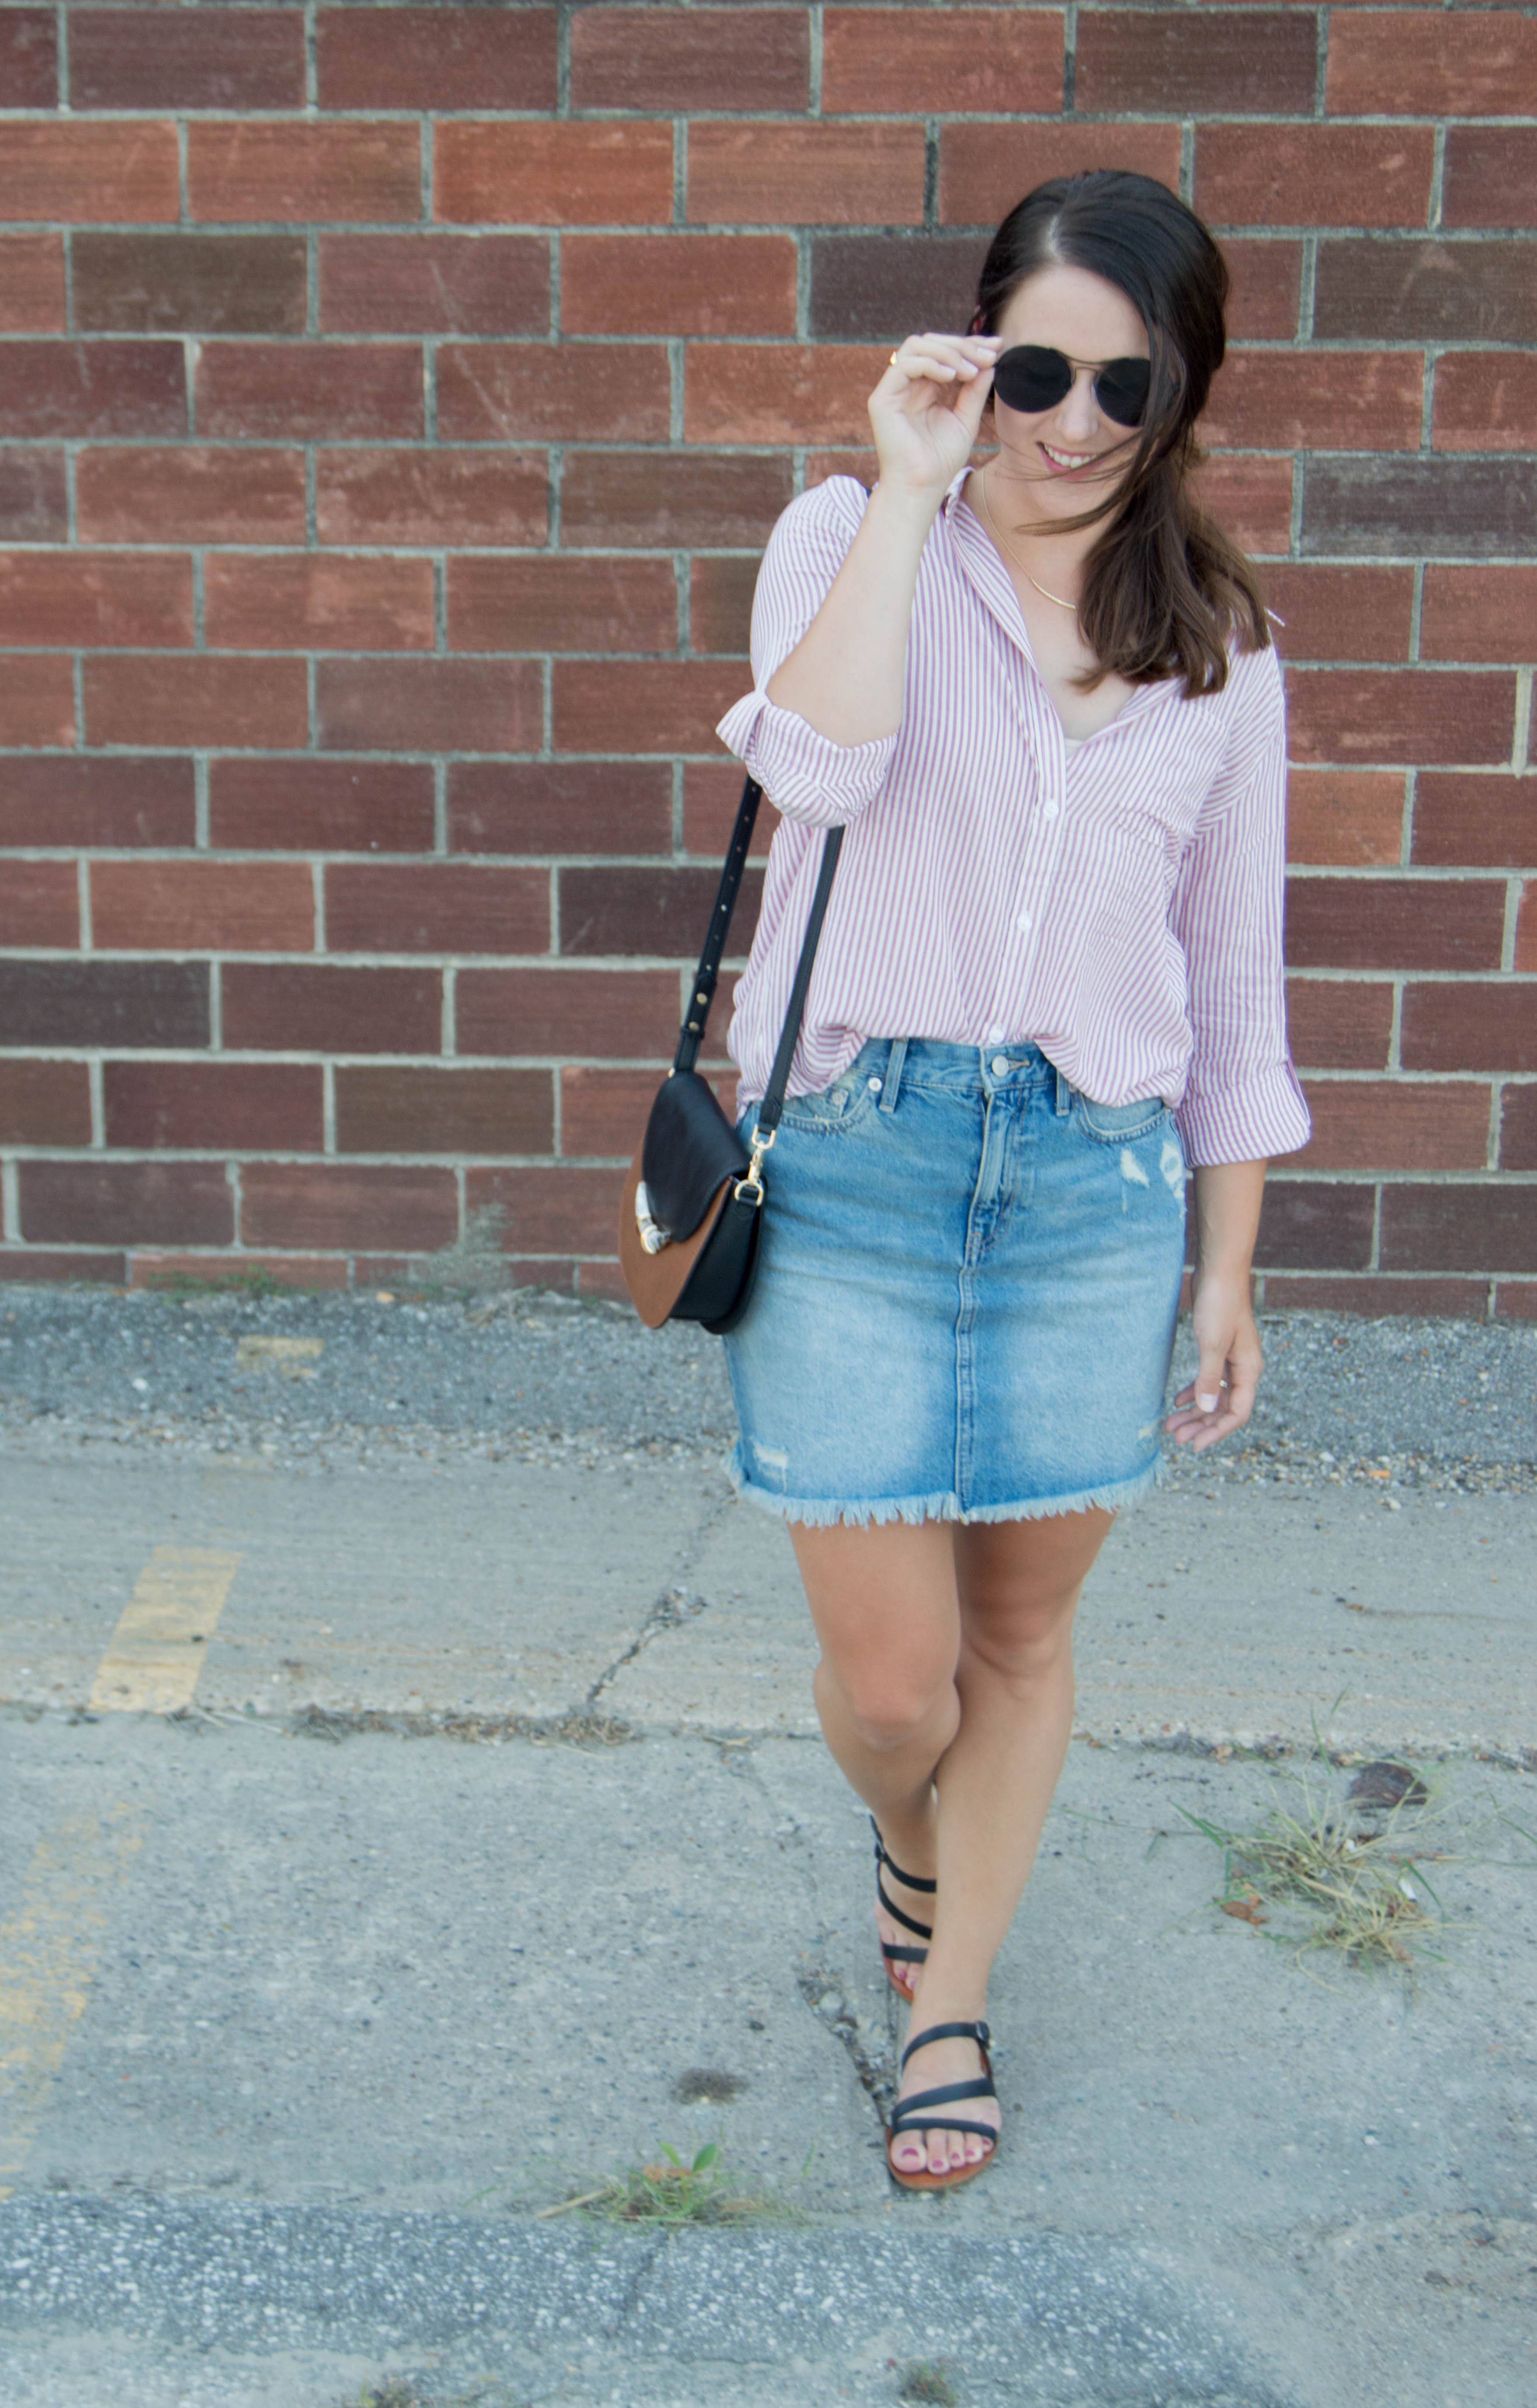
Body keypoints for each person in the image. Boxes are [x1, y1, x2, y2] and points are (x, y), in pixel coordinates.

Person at [712, 171, 1311, 2192]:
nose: (1070, 420)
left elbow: (1236, 986)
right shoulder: (845, 532)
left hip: (1090, 1190)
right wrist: (902, 488)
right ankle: (910, 1835)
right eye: (1035, 367)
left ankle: (947, 1997)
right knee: (898, 1687)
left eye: (1120, 382)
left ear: (1180, 391)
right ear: (977, 356)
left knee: (1024, 1646)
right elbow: (813, 766)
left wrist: (1225, 1270)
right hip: (865, 1166)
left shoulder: (1216, 641)